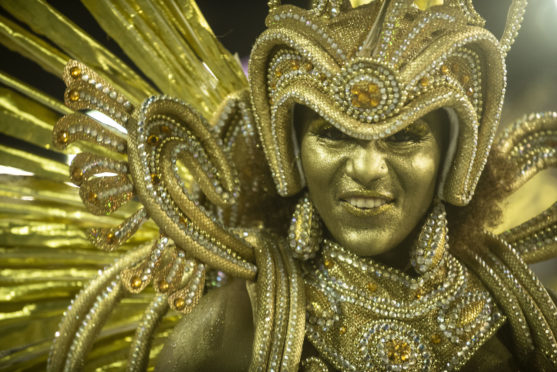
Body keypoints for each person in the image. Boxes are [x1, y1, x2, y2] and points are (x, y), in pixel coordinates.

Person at [0, 0, 556, 371]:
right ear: (290, 153)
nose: (365, 168)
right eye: (332, 135)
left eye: (405, 137)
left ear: (454, 158)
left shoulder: (513, 313)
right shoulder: (235, 327)